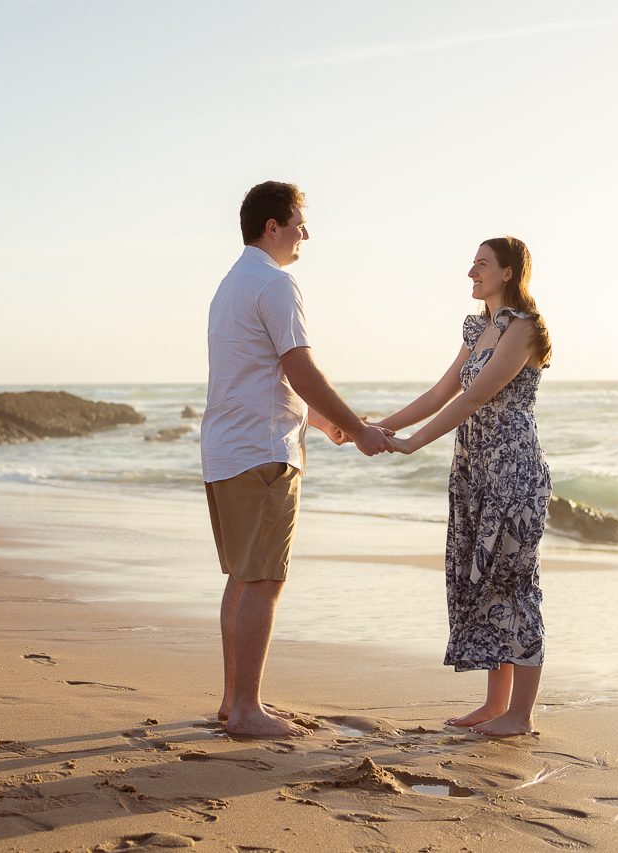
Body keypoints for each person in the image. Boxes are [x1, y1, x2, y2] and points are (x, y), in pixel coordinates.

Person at [202, 181, 394, 738]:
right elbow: (299, 368)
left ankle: (231, 701)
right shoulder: (277, 283)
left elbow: (258, 378)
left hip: (226, 448)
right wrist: (358, 428)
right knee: (263, 580)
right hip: (262, 453)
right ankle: (245, 709)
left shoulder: (230, 285)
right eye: (299, 222)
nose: (306, 233)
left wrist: (323, 421)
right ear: (272, 227)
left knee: (243, 577)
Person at [380, 236, 552, 737]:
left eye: (481, 264)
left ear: (507, 272)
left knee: (514, 582)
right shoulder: (479, 328)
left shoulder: (524, 328)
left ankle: (520, 715)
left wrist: (413, 444)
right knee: (479, 578)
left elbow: (477, 395)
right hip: (474, 470)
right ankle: (494, 705)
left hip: (511, 471)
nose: (471, 272)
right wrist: (381, 427)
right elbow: (442, 391)